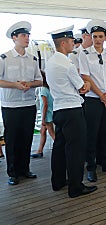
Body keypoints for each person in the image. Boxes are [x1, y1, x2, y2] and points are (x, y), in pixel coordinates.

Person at [46, 25, 97, 198]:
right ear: (64, 43)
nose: (74, 44)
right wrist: (88, 84)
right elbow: (82, 87)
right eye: (71, 41)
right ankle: (76, 186)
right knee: (76, 148)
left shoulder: (51, 62)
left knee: (59, 146)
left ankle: (58, 181)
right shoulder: (66, 64)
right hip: (72, 110)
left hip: (59, 109)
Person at [0, 21, 43, 185]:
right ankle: (13, 172)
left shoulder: (32, 59)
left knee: (26, 139)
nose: (27, 38)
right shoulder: (5, 58)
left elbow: (39, 81)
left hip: (28, 104)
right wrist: (15, 85)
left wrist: (29, 84)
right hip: (11, 106)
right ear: (14, 38)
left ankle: (25, 169)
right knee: (12, 140)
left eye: (28, 35)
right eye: (23, 35)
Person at [79, 19, 106, 182]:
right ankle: (91, 166)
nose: (97, 39)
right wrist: (101, 95)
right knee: (92, 133)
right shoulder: (84, 54)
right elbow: (85, 76)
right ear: (91, 37)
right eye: (95, 36)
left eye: (100, 36)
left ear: (105, 38)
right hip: (92, 99)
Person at [31, 70, 55, 158]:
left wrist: (43, 119)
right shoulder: (49, 89)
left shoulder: (43, 90)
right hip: (50, 113)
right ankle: (39, 150)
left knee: (52, 133)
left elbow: (45, 105)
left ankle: (61, 149)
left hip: (47, 116)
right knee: (42, 131)